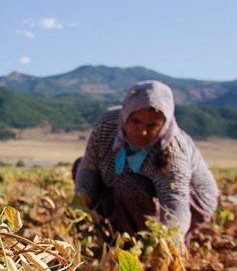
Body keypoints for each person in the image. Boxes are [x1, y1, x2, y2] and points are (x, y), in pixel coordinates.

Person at [72, 80, 219, 244]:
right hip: (133, 188)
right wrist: (81, 206)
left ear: (164, 124)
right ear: (126, 114)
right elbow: (89, 166)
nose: (142, 131)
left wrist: (167, 244)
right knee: (80, 167)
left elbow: (175, 206)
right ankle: (113, 234)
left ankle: (140, 243)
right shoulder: (107, 124)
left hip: (190, 201)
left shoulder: (171, 152)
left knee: (129, 186)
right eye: (136, 121)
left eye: (152, 125)